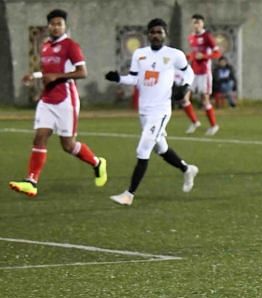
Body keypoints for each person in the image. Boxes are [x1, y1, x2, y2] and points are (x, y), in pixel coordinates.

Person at [9, 9, 107, 198]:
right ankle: (31, 181)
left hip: (66, 101)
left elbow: (82, 72)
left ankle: (97, 163)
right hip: (47, 99)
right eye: (52, 24)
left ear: (64, 26)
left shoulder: (71, 46)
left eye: (59, 24)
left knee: (68, 146)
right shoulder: (45, 46)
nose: (55, 27)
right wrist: (35, 76)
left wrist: (57, 77)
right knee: (40, 137)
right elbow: (48, 72)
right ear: (48, 26)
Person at [104, 18, 199, 206]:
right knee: (160, 147)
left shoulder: (174, 55)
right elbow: (134, 79)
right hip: (144, 111)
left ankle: (128, 195)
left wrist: (186, 87)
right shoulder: (139, 54)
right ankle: (187, 169)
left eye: (159, 32)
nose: (156, 35)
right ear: (147, 34)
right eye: (152, 32)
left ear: (165, 34)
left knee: (143, 149)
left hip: (161, 110)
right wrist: (118, 79)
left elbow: (189, 73)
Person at [183, 14, 222, 135]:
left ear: (202, 23)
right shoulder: (191, 37)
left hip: (204, 73)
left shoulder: (207, 37)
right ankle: (195, 122)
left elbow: (217, 54)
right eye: (194, 22)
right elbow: (193, 54)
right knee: (184, 98)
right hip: (193, 73)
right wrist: (187, 57)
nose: (196, 25)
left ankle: (214, 125)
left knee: (205, 100)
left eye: (198, 22)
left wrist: (205, 56)